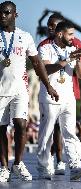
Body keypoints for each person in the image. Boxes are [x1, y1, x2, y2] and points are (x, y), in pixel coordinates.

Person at [0, 1, 58, 182]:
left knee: (21, 124)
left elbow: (37, 62)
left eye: (7, 13)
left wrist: (48, 85)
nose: (3, 16)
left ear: (15, 15)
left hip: (19, 90)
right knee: (1, 129)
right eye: (1, 13)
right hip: (1, 90)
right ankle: (4, 167)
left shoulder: (24, 37)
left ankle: (17, 163)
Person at [37, 21, 81, 180]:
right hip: (50, 97)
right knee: (47, 134)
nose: (73, 38)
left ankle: (75, 166)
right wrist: (67, 59)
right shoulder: (45, 48)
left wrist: (78, 59)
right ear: (60, 34)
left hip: (68, 97)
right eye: (70, 34)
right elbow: (46, 69)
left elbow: (80, 75)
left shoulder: (72, 49)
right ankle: (44, 167)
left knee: (70, 132)